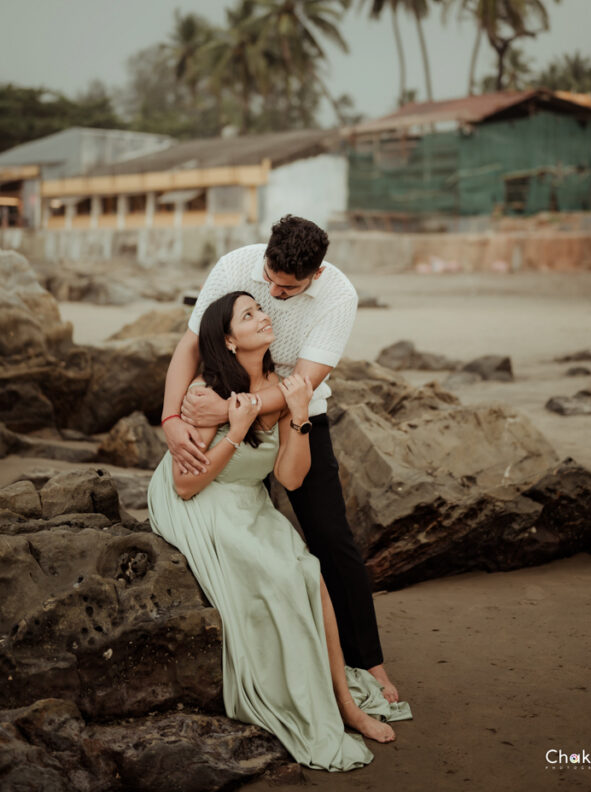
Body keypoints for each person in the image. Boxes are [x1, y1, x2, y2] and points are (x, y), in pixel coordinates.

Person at [148, 292, 411, 770]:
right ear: (229, 340)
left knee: (308, 573)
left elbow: (289, 478)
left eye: (260, 309)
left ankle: (346, 706)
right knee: (280, 576)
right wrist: (234, 426)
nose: (263, 317)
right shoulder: (206, 392)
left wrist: (300, 416)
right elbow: (185, 484)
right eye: (249, 315)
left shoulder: (285, 386)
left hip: (248, 499)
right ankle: (316, 700)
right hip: (202, 501)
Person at [162, 216, 399, 702]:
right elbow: (191, 344)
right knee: (251, 531)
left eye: (285, 289)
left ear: (316, 273)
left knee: (331, 536)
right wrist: (170, 418)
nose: (272, 294)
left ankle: (368, 661)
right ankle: (273, 649)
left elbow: (304, 383)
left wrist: (233, 408)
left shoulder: (338, 296)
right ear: (265, 254)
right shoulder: (234, 267)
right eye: (268, 279)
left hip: (295, 413)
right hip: (226, 411)